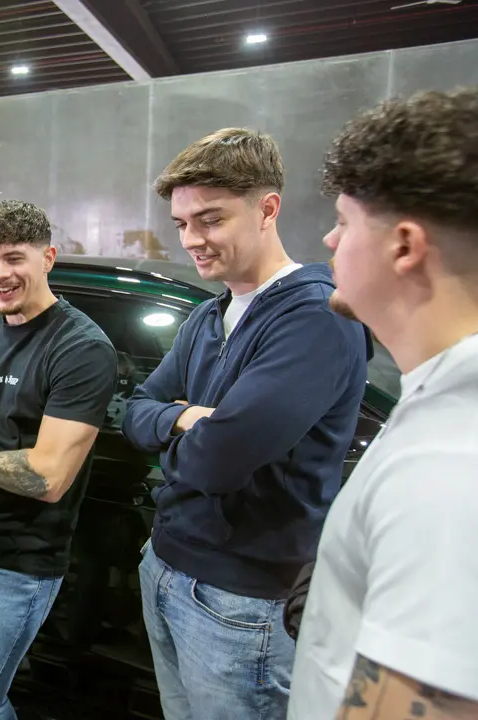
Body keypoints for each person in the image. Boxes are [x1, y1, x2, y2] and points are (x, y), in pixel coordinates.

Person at [121, 128, 369, 719]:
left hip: (242, 602)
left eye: (210, 219)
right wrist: (186, 417)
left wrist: (176, 433)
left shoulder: (315, 318)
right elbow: (133, 411)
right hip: (165, 565)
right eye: (182, 224)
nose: (192, 239)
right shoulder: (208, 316)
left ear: (267, 209)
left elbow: (217, 461)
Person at [289, 88, 478, 719]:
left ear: (404, 246)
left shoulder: (450, 458)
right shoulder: (444, 412)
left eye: (344, 221)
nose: (329, 237)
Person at [0, 199, 118, 720]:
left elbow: (49, 477)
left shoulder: (80, 348)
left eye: (14, 258)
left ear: (47, 258)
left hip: (20, 567)